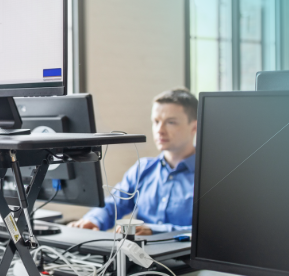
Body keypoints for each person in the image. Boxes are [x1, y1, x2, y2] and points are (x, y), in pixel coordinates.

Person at [69, 88, 198, 235]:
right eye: (156, 122)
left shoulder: (209, 177)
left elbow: (211, 232)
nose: (159, 130)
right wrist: (93, 220)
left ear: (194, 127)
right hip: (139, 256)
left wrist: (155, 231)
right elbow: (114, 204)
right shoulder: (143, 169)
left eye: (171, 122)